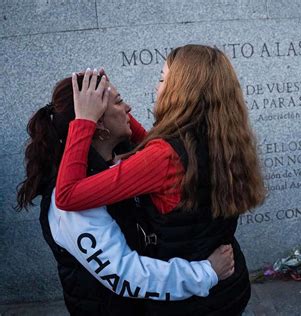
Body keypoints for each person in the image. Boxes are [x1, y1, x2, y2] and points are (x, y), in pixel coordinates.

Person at [55, 44, 266, 315]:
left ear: (181, 90)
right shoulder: (222, 137)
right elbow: (149, 143)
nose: (157, 87)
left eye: (162, 79)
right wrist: (110, 101)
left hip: (189, 301)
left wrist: (84, 119)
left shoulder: (164, 157)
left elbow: (68, 195)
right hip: (229, 285)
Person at [16, 73, 235, 315]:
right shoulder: (69, 210)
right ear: (98, 124)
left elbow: (155, 143)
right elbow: (128, 276)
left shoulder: (123, 159)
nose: (128, 108)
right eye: (120, 102)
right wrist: (206, 273)